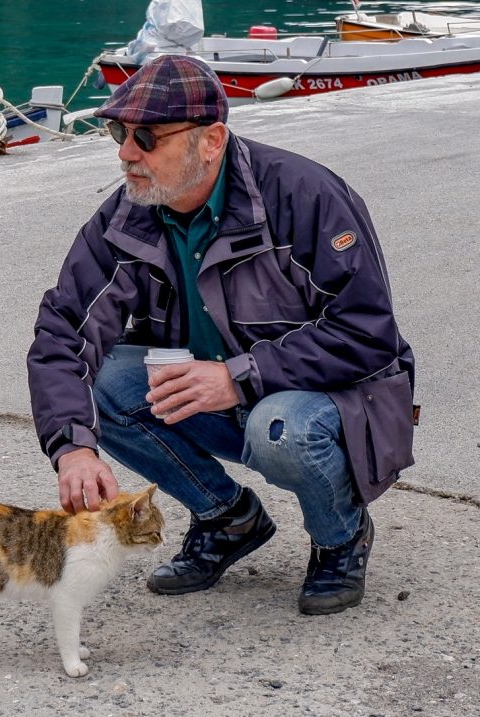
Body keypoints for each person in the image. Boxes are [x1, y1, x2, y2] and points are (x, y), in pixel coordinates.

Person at [26, 55, 415, 616]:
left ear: (211, 140)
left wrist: (239, 376)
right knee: (104, 387)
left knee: (279, 427)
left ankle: (340, 538)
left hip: (335, 401)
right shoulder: (127, 216)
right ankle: (228, 518)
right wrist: (72, 448)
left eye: (147, 136)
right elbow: (63, 333)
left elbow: (368, 333)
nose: (125, 152)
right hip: (221, 390)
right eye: (118, 131)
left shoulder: (303, 196)